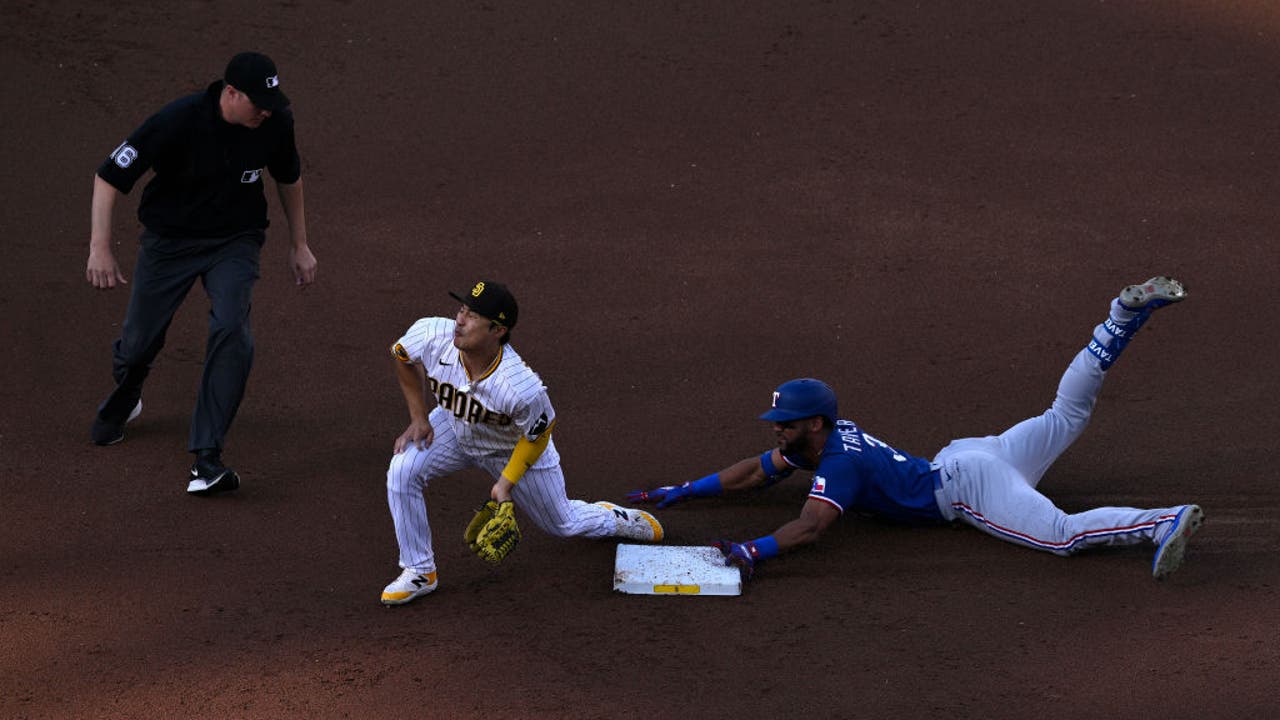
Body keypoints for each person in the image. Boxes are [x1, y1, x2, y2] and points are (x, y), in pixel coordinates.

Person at [627, 276, 1203, 581]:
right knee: (1064, 414)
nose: (777, 432)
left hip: (967, 485)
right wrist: (684, 490)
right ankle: (1118, 319)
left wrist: (753, 550)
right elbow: (756, 472)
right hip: (977, 456)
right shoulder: (824, 439)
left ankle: (1159, 523)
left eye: (784, 424)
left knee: (1060, 535)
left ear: (813, 423)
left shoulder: (838, 461)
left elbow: (809, 526)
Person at [85, 52, 317, 496]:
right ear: (231, 93)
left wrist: (299, 243)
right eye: (258, 102)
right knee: (136, 346)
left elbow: (289, 177)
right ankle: (129, 387)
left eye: (271, 101)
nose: (266, 110)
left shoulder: (275, 122)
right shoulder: (178, 119)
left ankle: (207, 457)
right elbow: (109, 176)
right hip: (169, 243)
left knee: (233, 329)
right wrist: (99, 248)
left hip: (235, 241)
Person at [381, 279, 664, 605]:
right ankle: (419, 570)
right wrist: (419, 417)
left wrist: (506, 482)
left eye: (473, 316)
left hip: (511, 447)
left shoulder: (520, 386)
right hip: (456, 430)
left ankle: (613, 519)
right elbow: (402, 354)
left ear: (497, 331)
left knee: (563, 523)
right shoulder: (432, 334)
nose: (460, 320)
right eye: (462, 309)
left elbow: (538, 433)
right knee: (403, 470)